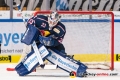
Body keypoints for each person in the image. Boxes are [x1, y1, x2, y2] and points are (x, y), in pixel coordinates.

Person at [15, 11, 87, 77]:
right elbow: (31, 21)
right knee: (33, 53)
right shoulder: (41, 19)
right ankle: (29, 66)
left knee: (61, 52)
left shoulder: (61, 28)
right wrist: (31, 28)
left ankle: (71, 63)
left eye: (54, 22)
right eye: (50, 21)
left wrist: (52, 43)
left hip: (52, 45)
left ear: (58, 21)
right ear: (48, 18)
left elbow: (59, 41)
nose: (51, 23)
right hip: (39, 43)